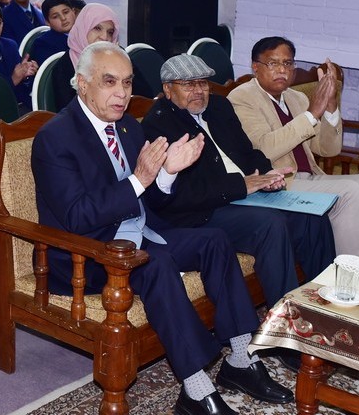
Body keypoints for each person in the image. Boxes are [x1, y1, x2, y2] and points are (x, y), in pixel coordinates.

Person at [31, 41, 293, 415]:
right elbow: (77, 216)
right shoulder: (56, 137)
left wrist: (167, 173)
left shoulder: (126, 127)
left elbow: (152, 200)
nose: (122, 93)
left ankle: (239, 359)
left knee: (215, 240)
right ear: (82, 83)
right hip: (86, 250)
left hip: (139, 231)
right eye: (109, 82)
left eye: (127, 82)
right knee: (154, 263)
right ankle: (196, 388)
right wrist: (139, 179)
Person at [141, 54, 336, 306]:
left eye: (203, 83)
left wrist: (266, 175)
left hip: (245, 196)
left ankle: (324, 305)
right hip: (203, 212)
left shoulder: (219, 107)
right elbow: (184, 191)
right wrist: (241, 186)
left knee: (313, 216)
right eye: (188, 84)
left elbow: (247, 152)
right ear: (168, 89)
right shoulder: (158, 124)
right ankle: (284, 317)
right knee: (270, 224)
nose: (198, 91)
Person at [228, 36, 359, 257]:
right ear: (255, 67)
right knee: (349, 192)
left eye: (288, 63)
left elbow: (328, 150)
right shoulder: (241, 98)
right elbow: (264, 149)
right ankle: (348, 271)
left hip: (310, 177)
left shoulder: (297, 98)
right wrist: (311, 114)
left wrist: (330, 107)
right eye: (273, 63)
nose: (282, 70)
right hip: (277, 185)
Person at [51, 2, 119, 112]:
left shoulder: (119, 58)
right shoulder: (64, 67)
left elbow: (143, 98)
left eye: (110, 32)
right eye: (97, 28)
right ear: (83, 28)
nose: (104, 37)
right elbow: (68, 112)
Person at [31, 0, 75, 65]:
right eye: (55, 17)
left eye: (66, 12)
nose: (63, 18)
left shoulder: (86, 34)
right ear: (47, 22)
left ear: (73, 12)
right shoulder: (42, 44)